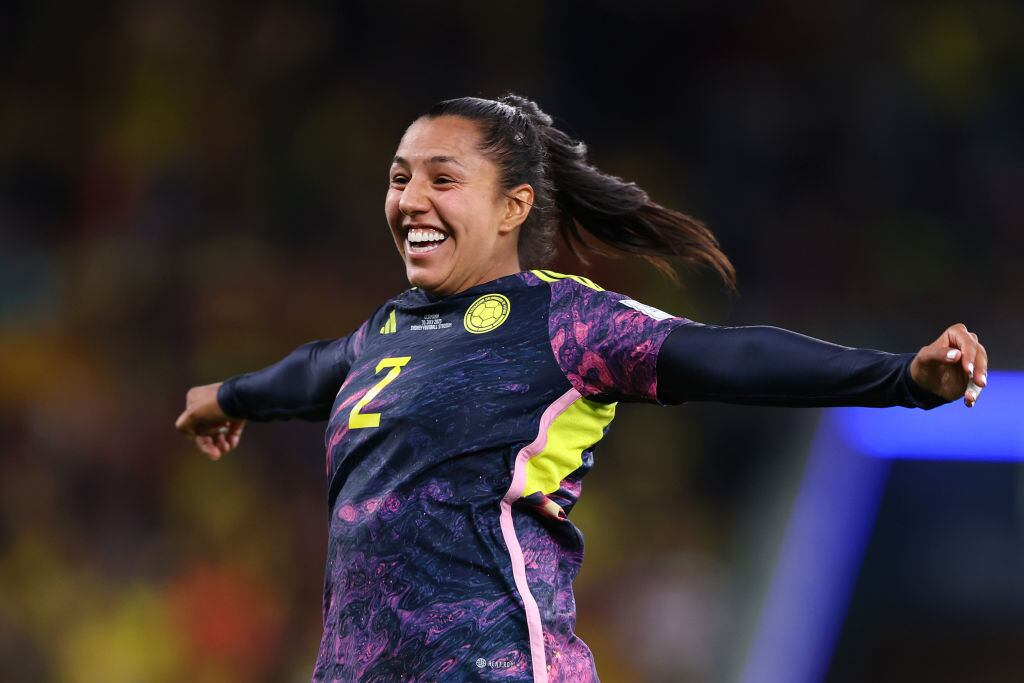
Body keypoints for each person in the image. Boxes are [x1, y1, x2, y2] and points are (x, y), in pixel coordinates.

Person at [174, 94, 989, 682]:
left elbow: (728, 357)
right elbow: (319, 369)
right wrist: (230, 395)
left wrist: (902, 380)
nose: (410, 199)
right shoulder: (387, 329)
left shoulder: (566, 321)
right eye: (398, 177)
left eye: (441, 179)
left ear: (512, 208)